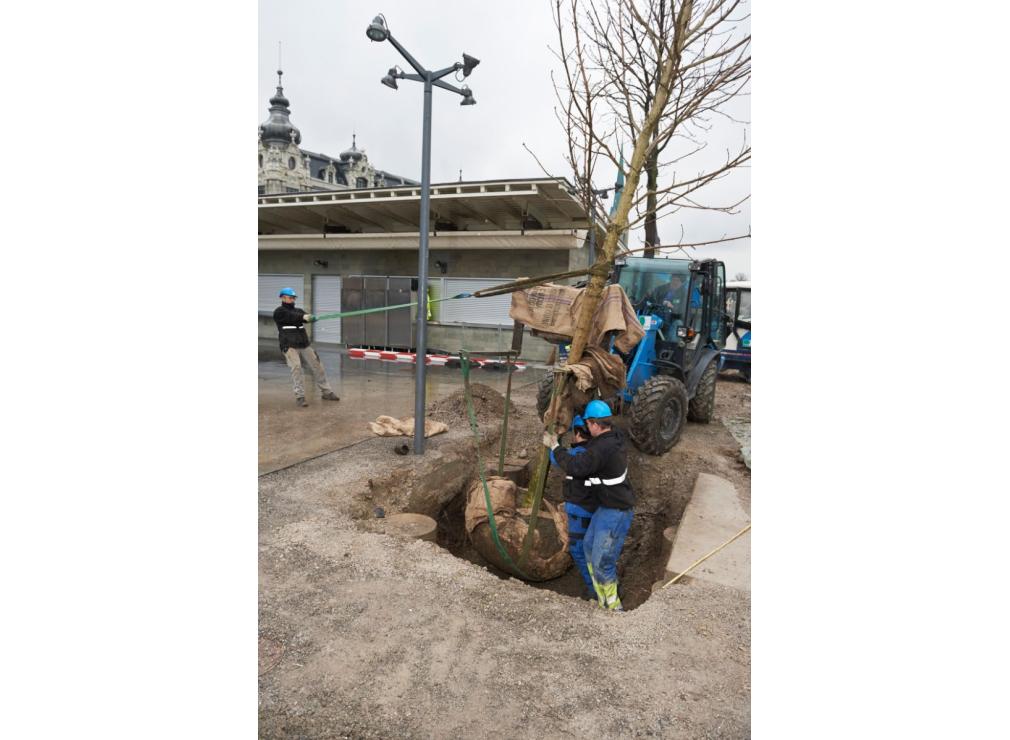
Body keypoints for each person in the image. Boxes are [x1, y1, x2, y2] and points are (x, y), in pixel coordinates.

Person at [544, 400, 634, 611]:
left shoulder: (603, 448)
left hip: (616, 511)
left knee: (603, 563)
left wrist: (555, 446)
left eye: (588, 424)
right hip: (605, 507)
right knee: (587, 547)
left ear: (594, 424)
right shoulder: (613, 438)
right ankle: (600, 600)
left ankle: (614, 609)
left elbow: (575, 465)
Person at [548, 414, 596, 599]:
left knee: (578, 548)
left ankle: (593, 588)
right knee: (592, 546)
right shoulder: (597, 451)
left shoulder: (577, 454)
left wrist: (554, 442)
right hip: (592, 508)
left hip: (579, 510)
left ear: (577, 433)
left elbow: (556, 459)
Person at [273, 287, 340, 407]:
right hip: (289, 345)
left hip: (304, 344)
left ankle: (326, 392)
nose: (293, 299)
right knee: (297, 368)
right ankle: (300, 396)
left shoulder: (298, 310)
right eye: (290, 297)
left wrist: (311, 318)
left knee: (318, 366)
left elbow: (304, 316)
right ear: (282, 297)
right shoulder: (279, 312)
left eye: (294, 298)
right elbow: (291, 316)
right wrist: (303, 317)